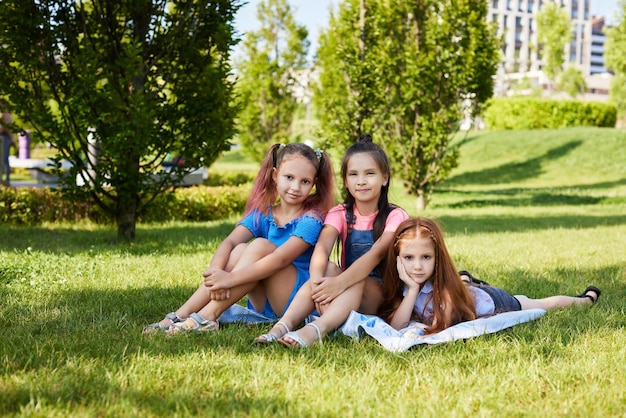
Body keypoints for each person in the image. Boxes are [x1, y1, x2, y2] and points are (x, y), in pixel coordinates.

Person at [144, 142, 335, 334]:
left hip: (293, 302)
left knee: (260, 245)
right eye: (289, 177)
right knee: (239, 250)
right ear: (275, 175)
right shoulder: (263, 213)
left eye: (305, 181)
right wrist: (217, 274)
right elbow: (229, 242)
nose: (295, 187)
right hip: (263, 303)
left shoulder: (312, 219)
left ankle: (207, 316)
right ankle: (181, 314)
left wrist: (229, 279)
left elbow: (280, 259)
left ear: (314, 183)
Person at [254, 134, 409, 347]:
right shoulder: (340, 213)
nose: (361, 181)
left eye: (370, 173)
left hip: (381, 296)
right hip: (345, 288)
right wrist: (318, 288)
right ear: (345, 181)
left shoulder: (395, 216)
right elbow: (322, 248)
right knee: (326, 267)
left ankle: (314, 330)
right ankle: (282, 326)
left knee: (357, 279)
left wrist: (339, 284)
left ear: (385, 178)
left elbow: (376, 255)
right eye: (353, 174)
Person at [379, 217, 602, 333]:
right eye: (409, 258)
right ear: (397, 258)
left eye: (426, 257)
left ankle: (584, 300)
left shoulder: (443, 288)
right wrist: (414, 289)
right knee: (465, 289)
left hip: (494, 301)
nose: (417, 267)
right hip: (468, 294)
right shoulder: (407, 286)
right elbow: (397, 327)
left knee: (536, 304)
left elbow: (439, 327)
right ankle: (465, 280)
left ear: (438, 258)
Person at [1, 109, 15, 186]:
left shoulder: (6, 114)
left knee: (4, 159)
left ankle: (6, 179)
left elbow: (5, 129)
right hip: (5, 138)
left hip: (4, 138)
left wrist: (12, 139)